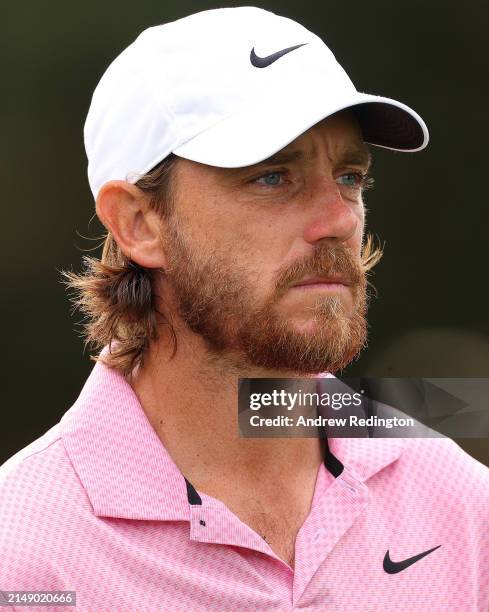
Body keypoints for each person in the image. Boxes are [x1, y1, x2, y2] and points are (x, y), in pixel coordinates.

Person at [0, 7, 487, 611]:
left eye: (350, 175)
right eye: (272, 178)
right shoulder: (24, 553)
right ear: (139, 222)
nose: (339, 220)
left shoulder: (457, 500)